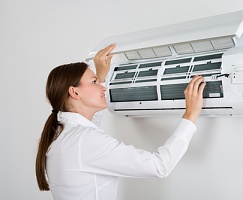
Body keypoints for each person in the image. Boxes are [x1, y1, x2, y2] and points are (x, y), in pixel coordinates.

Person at [35, 44, 206, 200]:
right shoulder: (85, 140)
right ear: (74, 92)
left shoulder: (61, 133)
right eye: (94, 82)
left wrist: (100, 76)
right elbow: (159, 166)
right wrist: (190, 114)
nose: (103, 88)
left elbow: (90, 126)